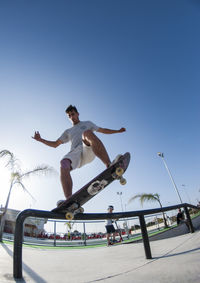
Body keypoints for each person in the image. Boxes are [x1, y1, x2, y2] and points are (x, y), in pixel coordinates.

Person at [32, 105, 126, 201]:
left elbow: (103, 130)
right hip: (76, 154)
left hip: (88, 150)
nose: (71, 117)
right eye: (69, 116)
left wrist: (117, 131)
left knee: (87, 133)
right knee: (63, 162)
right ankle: (69, 200)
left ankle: (109, 165)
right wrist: (40, 140)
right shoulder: (68, 131)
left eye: (73, 114)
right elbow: (55, 144)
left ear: (78, 114)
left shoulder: (88, 123)